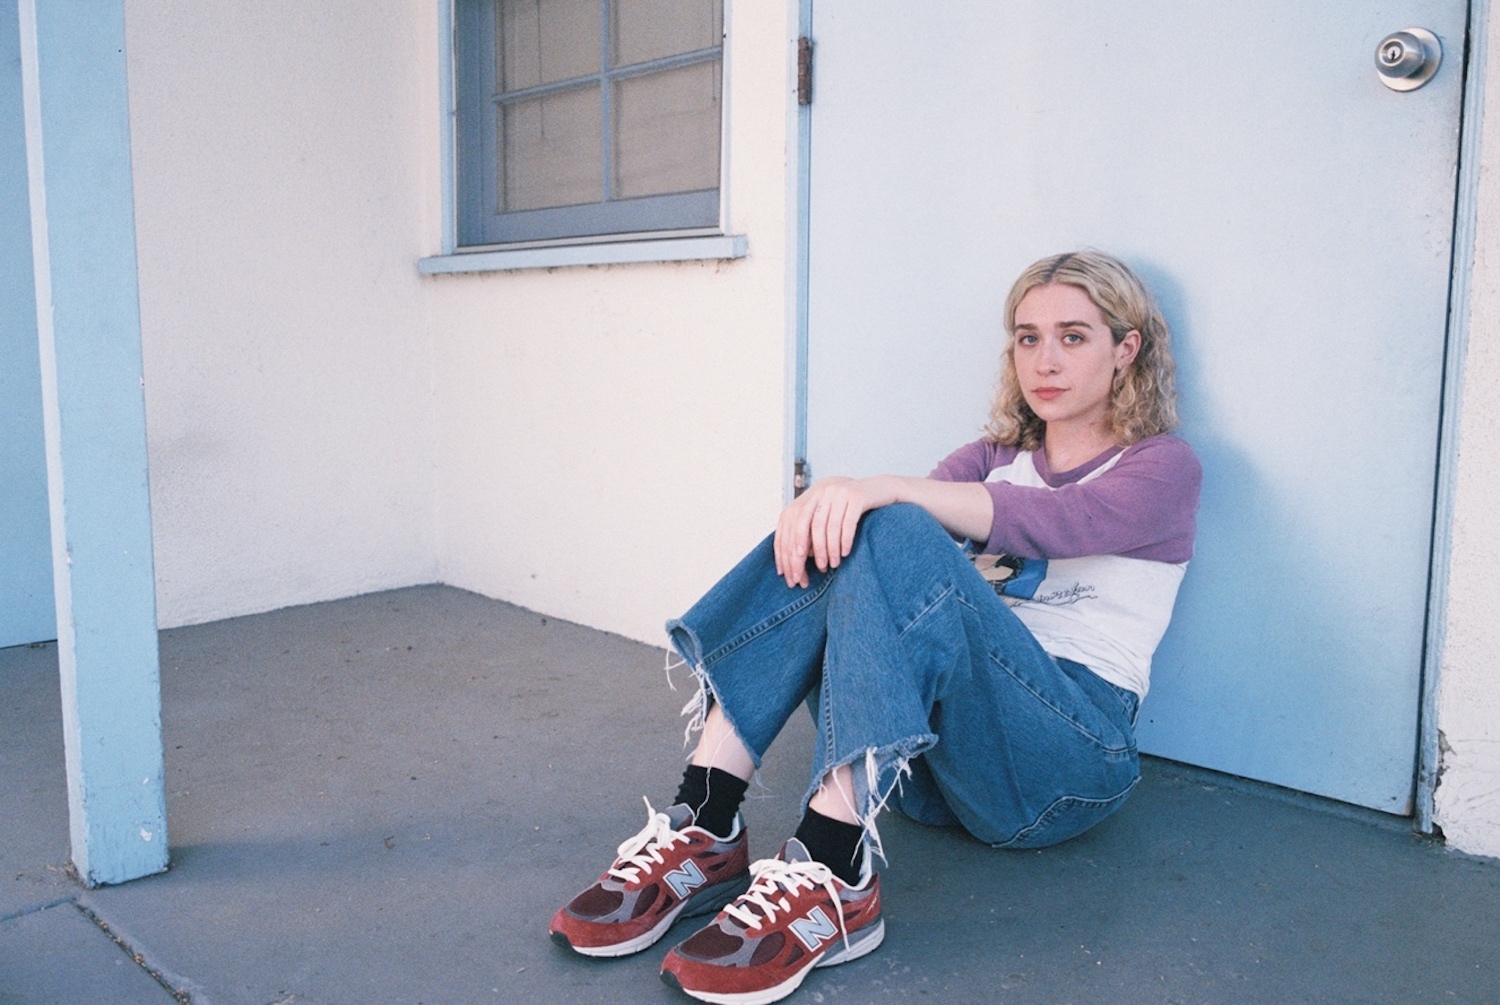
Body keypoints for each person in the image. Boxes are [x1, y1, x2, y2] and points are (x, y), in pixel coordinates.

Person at [550, 250, 1202, 1005]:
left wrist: (875, 490)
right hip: (928, 772)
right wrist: (845, 504)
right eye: (1027, 338)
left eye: (1073, 337)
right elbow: (888, 557)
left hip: (1066, 765)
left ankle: (834, 868)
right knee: (856, 534)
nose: (1045, 360)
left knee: (884, 518)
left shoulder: (1163, 466)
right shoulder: (995, 456)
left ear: (1127, 349)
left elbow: (1053, 520)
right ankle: (706, 818)